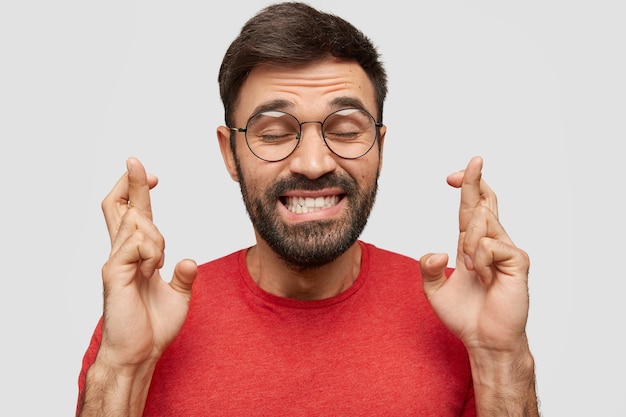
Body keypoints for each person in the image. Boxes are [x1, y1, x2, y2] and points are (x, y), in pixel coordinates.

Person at [76, 2, 540, 416]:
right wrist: (122, 368)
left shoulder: (461, 316)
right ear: (229, 154)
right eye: (274, 132)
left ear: (379, 147)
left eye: (345, 128)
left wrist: (501, 357)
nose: (314, 163)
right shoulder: (143, 326)